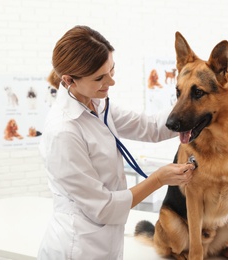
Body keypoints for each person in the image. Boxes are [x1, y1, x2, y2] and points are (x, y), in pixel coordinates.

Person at [38, 25, 195, 260]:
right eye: (100, 78)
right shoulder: (63, 132)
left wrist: (190, 112)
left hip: (106, 245)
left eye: (112, 69)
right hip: (76, 249)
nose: (111, 82)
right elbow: (104, 208)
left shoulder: (96, 103)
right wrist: (159, 179)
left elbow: (150, 127)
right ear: (69, 80)